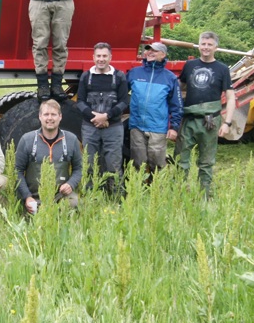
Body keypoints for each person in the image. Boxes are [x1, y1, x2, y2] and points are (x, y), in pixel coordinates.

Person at [174, 31, 236, 197]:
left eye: (209, 44)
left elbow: (230, 98)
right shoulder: (190, 66)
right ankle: (177, 195)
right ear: (199, 45)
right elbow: (178, 90)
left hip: (210, 121)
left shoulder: (222, 69)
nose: (206, 47)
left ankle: (205, 196)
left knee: (206, 162)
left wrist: (227, 123)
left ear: (216, 47)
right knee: (180, 160)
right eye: (203, 44)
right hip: (188, 120)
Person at [75, 42, 129, 193]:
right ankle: (90, 197)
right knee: (89, 164)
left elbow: (124, 101)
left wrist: (107, 116)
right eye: (98, 56)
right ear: (93, 57)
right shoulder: (86, 77)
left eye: (104, 56)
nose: (101, 59)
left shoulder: (119, 77)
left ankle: (117, 198)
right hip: (89, 127)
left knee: (114, 165)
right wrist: (95, 117)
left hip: (113, 128)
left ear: (110, 57)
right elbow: (80, 102)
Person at [15, 99, 84, 214]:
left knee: (75, 202)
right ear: (40, 117)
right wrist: (27, 196)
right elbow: (17, 171)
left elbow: (79, 168)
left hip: (61, 196)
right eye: (46, 114)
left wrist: (70, 184)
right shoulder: (27, 140)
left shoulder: (71, 140)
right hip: (34, 197)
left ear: (60, 117)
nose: (50, 118)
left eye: (53, 114)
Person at [126, 42, 183, 173]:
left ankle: (158, 190)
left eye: (155, 50)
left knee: (157, 163)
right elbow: (120, 94)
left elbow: (177, 105)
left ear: (163, 54)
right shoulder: (134, 73)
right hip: (136, 126)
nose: (150, 52)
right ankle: (139, 189)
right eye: (148, 50)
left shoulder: (170, 78)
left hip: (158, 127)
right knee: (138, 163)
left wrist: (174, 127)